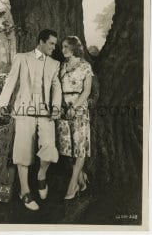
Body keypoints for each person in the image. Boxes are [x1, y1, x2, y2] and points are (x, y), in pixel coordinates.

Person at [0, 29, 62, 211]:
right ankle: (25, 191)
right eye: (51, 43)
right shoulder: (22, 57)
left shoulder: (54, 63)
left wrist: (56, 107)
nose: (53, 47)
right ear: (41, 41)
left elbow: (56, 88)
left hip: (45, 111)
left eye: (55, 44)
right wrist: (2, 103)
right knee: (23, 150)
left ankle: (41, 176)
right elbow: (11, 80)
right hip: (24, 110)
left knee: (49, 146)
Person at [56, 36, 93, 200]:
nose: (63, 50)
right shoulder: (62, 67)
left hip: (78, 109)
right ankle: (81, 177)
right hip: (64, 110)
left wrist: (74, 107)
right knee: (68, 148)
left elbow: (87, 91)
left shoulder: (85, 66)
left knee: (79, 147)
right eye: (62, 47)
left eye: (66, 47)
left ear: (74, 48)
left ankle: (73, 185)